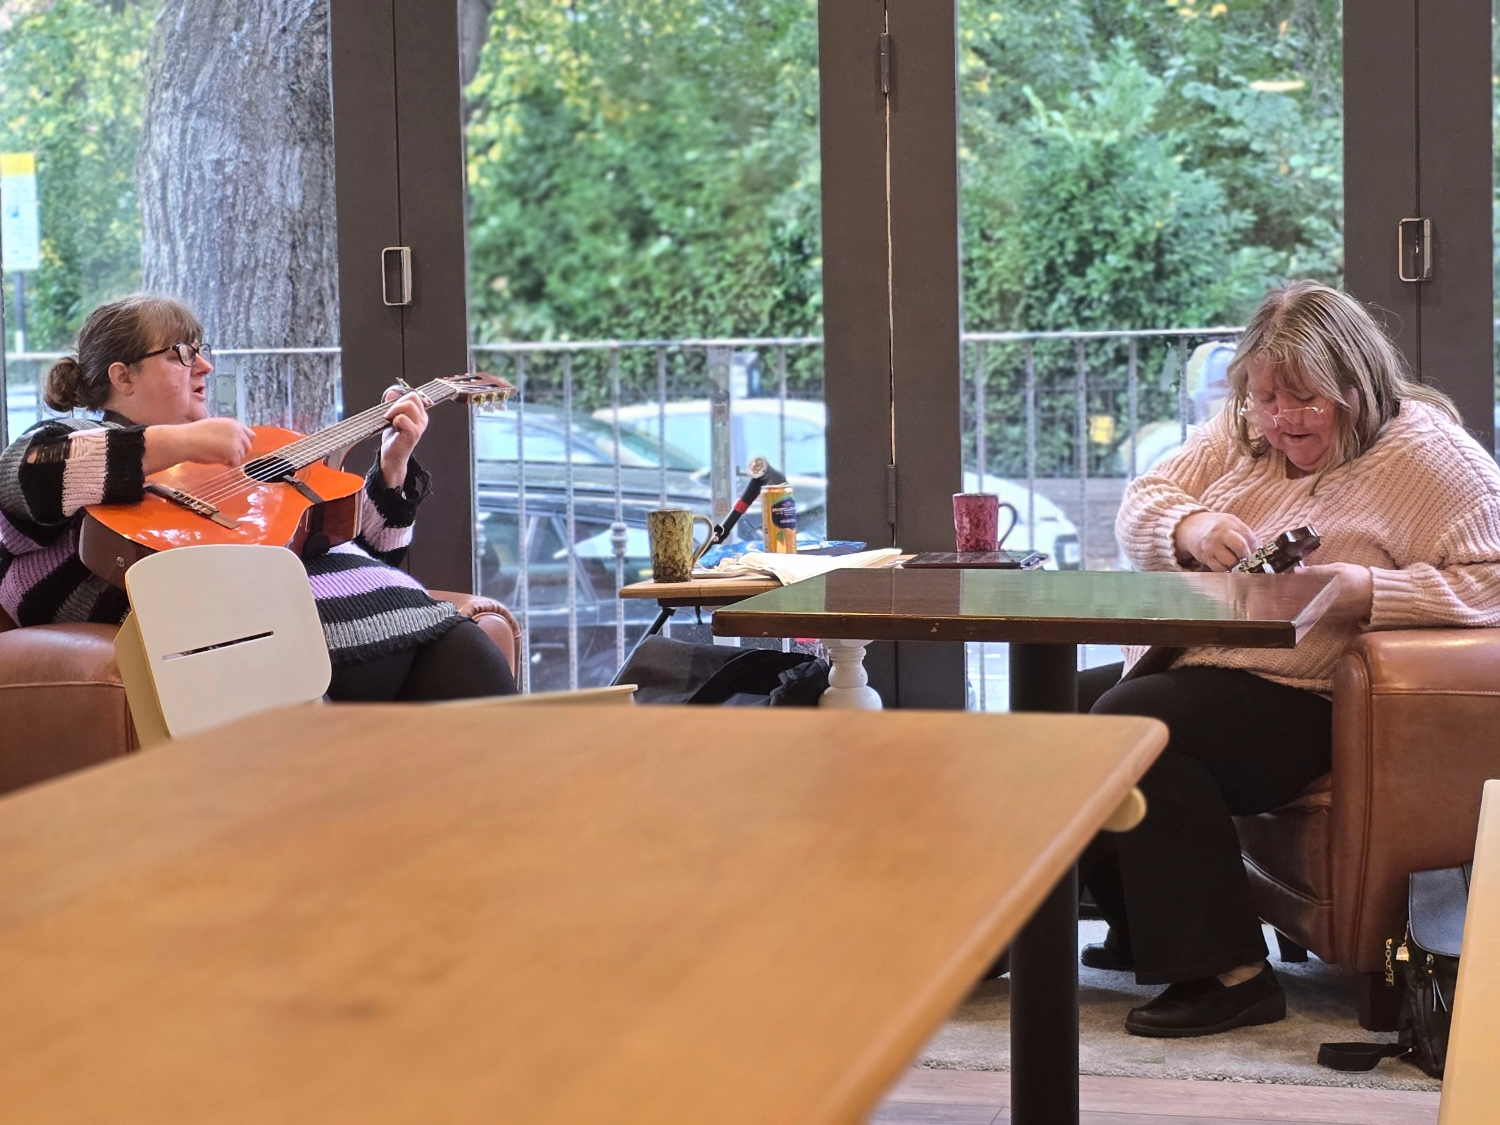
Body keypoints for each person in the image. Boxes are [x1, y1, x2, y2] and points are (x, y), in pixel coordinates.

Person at [1080, 280, 1500, 1037]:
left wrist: (1368, 590)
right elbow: (1143, 499)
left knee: (1137, 722)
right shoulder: (1242, 431)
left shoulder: (1432, 456)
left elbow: (1492, 578)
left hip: (1311, 695)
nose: (1281, 420)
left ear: (1354, 384)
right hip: (1206, 663)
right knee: (1055, 709)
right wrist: (1193, 525)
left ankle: (1230, 974)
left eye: (1304, 400)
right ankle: (1140, 925)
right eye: (1265, 397)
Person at [0, 294, 516, 702]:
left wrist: (393, 464)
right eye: (182, 353)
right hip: (291, 658)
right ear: (122, 376)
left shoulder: (220, 468)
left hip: (409, 627)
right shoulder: (68, 440)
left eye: (203, 350)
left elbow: (373, 553)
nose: (203, 366)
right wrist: (179, 439)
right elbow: (24, 477)